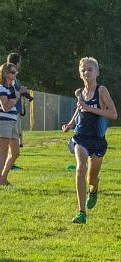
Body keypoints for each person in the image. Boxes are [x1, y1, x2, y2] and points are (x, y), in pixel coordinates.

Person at [61, 57, 117, 224]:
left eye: (90, 69)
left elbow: (113, 115)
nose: (86, 72)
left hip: (98, 140)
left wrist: (91, 109)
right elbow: (80, 110)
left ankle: (94, 190)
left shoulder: (102, 91)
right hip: (80, 137)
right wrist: (70, 124)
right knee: (80, 168)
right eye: (83, 70)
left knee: (91, 179)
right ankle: (81, 212)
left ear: (97, 72)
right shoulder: (79, 93)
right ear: (80, 74)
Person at [0, 63, 27, 186]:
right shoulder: (1, 88)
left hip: (12, 121)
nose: (15, 74)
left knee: (15, 152)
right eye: (13, 72)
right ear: (6, 74)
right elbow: (6, 107)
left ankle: (3, 177)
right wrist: (17, 96)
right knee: (2, 151)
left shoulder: (12, 88)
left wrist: (17, 93)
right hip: (3, 122)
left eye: (15, 72)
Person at [7, 52, 26, 155]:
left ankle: (11, 160)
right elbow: (11, 93)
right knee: (12, 136)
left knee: (16, 134)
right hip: (11, 110)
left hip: (15, 109)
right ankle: (10, 162)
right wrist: (21, 91)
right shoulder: (9, 76)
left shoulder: (13, 76)